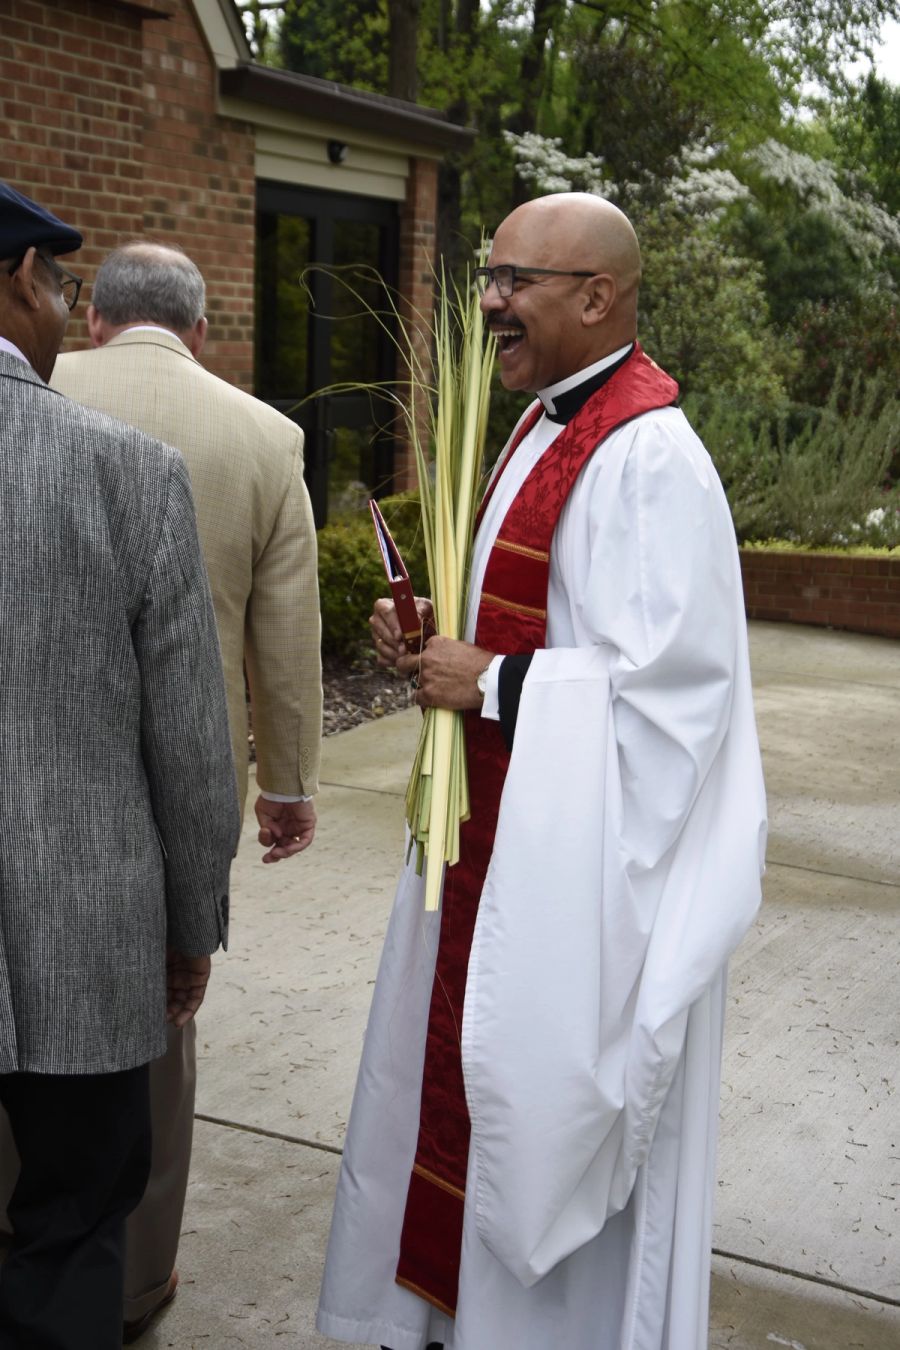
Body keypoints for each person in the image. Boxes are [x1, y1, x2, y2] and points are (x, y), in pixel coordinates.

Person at [316, 192, 768, 1350]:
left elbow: (676, 703)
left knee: (541, 1119)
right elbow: (535, 620)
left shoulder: (650, 456)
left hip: (579, 893)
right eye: (489, 277)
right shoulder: (541, 425)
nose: (491, 304)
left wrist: (498, 685)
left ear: (596, 297)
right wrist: (432, 635)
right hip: (498, 847)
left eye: (515, 280)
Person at [29, 238, 321, 1340]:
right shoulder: (263, 435)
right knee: (155, 1036)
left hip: (31, 769)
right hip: (165, 795)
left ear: (92, 313)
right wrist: (287, 783)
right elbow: (285, 637)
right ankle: (138, 1282)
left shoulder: (36, 381)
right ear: (200, 331)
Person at [0, 183, 239, 1350]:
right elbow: (192, 740)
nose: (56, 311)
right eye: (50, 281)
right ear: (15, 283)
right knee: (77, 1220)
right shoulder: (127, 471)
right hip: (85, 945)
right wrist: (191, 925)